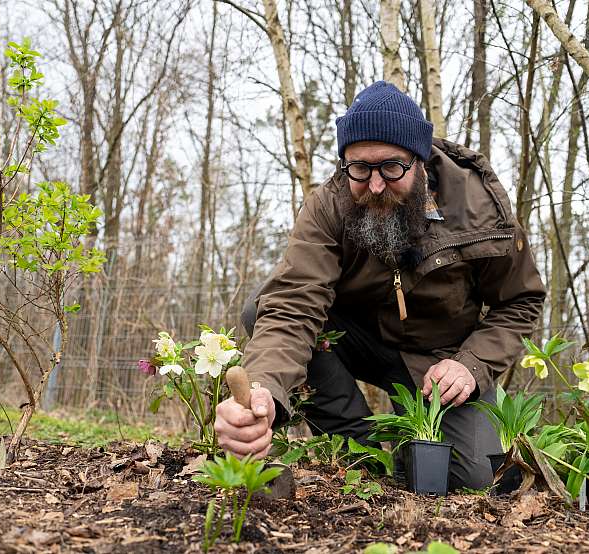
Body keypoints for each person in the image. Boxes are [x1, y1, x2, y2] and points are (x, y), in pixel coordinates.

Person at [214, 81, 545, 490]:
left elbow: (521, 302)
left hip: (440, 361)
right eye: (359, 168)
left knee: (471, 479)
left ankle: (412, 449)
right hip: (357, 339)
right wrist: (263, 390)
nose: (374, 185)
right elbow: (293, 304)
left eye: (391, 167)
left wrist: (471, 365)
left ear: (419, 160)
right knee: (259, 306)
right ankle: (360, 449)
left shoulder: (478, 207)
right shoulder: (329, 206)